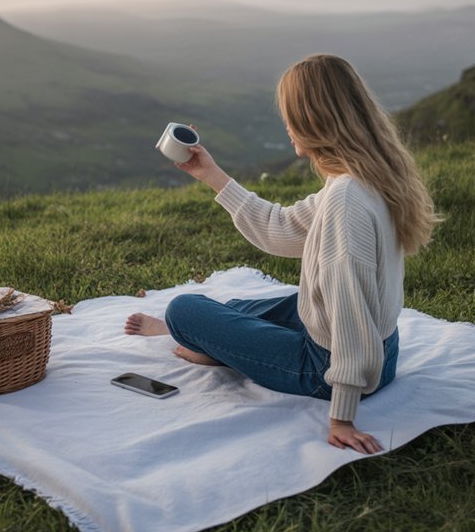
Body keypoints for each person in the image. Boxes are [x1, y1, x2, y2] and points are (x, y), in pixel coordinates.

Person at [124, 54, 439, 454]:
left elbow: (350, 310)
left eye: (290, 116)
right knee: (280, 303)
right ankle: (213, 341)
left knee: (185, 309)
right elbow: (281, 229)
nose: (286, 126)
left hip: (325, 369)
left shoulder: (345, 200)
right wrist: (210, 175)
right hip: (384, 350)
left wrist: (342, 415)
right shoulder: (365, 178)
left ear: (314, 120)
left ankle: (196, 337)